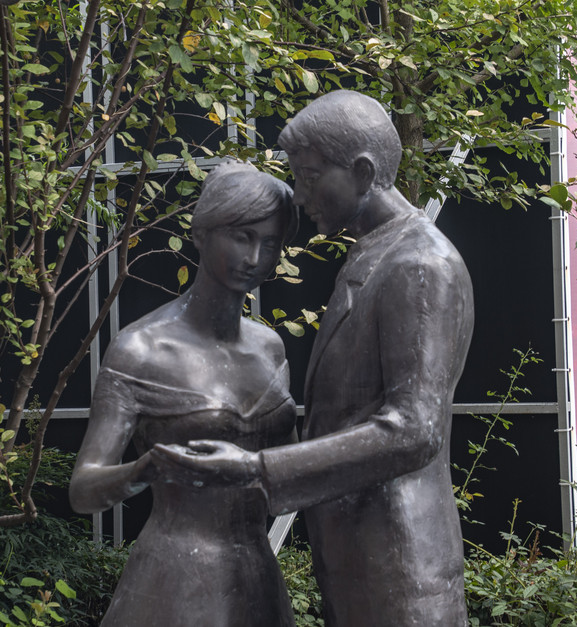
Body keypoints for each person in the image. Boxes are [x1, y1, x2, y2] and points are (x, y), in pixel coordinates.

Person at [174, 91, 475, 626]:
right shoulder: (374, 254)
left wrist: (259, 470)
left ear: (363, 173)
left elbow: (415, 430)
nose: (299, 194)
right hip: (361, 560)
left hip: (401, 566)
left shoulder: (419, 264)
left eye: (310, 176)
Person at [69, 160, 299, 627]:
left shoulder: (270, 349)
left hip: (258, 581)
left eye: (271, 243)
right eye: (242, 236)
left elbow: (291, 484)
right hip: (173, 581)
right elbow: (83, 490)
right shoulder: (141, 350)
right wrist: (144, 469)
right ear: (200, 233)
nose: (255, 257)